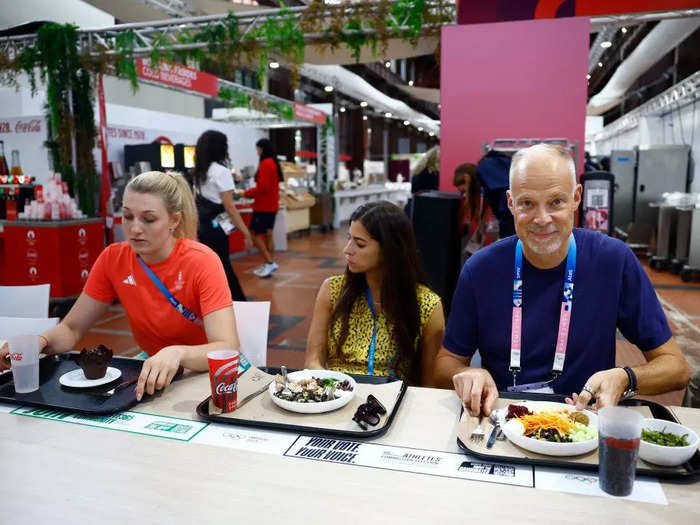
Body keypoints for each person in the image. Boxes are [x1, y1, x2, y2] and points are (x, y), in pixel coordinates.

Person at [431, 144, 690, 415]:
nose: (542, 219)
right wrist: (469, 373)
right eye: (527, 203)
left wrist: (626, 377)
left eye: (556, 202)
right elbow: (444, 366)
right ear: (510, 203)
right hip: (504, 422)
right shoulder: (480, 270)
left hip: (585, 424)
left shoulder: (614, 261)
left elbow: (675, 367)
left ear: (577, 197)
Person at [1, 171, 240, 401]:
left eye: (149, 219)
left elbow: (227, 347)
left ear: (174, 220)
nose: (135, 229)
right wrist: (40, 342)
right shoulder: (113, 259)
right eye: (127, 216)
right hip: (151, 371)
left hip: (203, 373)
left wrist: (178, 353)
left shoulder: (202, 261)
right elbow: (72, 329)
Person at [304, 201, 445, 385]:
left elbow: (430, 383)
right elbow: (312, 361)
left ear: (389, 250)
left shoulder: (426, 304)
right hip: (336, 396)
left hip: (390, 402)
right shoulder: (332, 290)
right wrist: (334, 389)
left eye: (360, 244)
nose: (347, 250)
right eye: (349, 238)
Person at [191, 130, 252, 301]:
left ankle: (212, 302)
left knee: (209, 268)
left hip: (204, 227)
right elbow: (230, 207)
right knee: (223, 268)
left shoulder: (199, 172)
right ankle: (238, 304)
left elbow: (195, 202)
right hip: (217, 230)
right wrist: (246, 233)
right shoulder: (221, 172)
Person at [238, 138, 282, 278]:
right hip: (272, 205)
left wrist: (245, 193)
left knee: (254, 234)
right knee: (269, 234)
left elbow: (262, 187)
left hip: (263, 206)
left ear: (261, 149)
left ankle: (269, 262)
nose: (257, 152)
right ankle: (270, 263)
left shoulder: (265, 164)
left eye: (257, 149)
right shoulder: (274, 163)